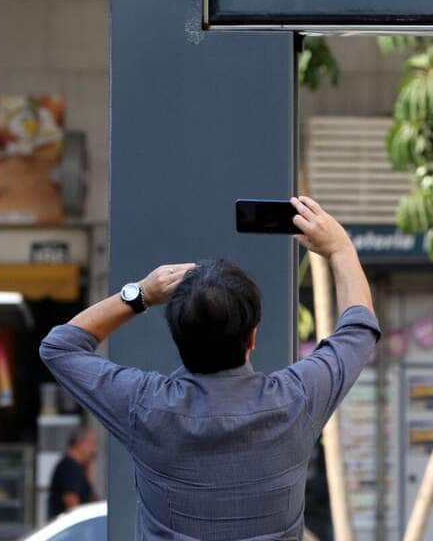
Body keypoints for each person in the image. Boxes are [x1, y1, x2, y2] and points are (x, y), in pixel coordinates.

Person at [40, 197, 379, 540]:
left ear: (178, 337)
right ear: (253, 337)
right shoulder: (297, 400)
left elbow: (60, 346)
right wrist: (340, 249)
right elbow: (359, 330)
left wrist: (140, 294)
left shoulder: (144, 407)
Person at [46, 427, 99, 519]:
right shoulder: (69, 467)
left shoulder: (78, 467)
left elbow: (88, 493)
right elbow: (71, 500)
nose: (94, 449)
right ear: (80, 443)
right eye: (92, 443)